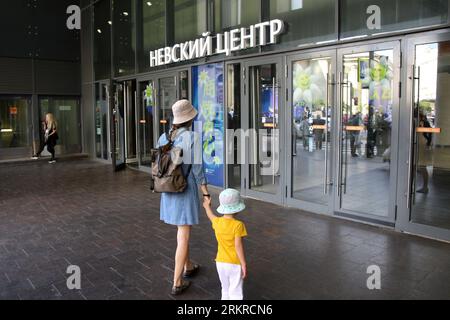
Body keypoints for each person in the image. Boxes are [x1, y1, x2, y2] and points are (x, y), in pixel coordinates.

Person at [157, 99, 210, 295]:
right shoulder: (192, 137)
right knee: (183, 236)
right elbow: (197, 170)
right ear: (190, 118)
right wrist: (206, 193)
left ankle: (188, 265)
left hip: (168, 190)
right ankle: (177, 282)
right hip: (185, 190)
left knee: (181, 232)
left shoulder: (163, 137)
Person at [203, 188, 247, 300]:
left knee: (225, 289)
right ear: (237, 209)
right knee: (235, 292)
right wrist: (243, 264)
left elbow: (210, 215)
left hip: (220, 262)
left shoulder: (217, 222)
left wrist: (207, 205)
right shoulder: (238, 225)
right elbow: (238, 246)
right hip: (234, 263)